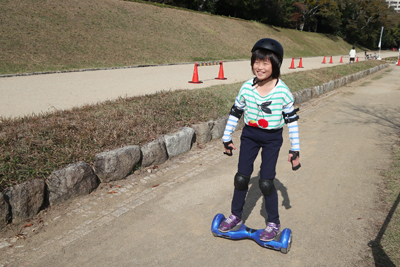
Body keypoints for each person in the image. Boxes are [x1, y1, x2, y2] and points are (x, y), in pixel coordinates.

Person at [219, 38, 301, 242]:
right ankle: (235, 215)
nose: (260, 67)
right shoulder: (247, 87)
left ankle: (273, 222)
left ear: (275, 64)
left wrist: (295, 149)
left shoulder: (283, 91)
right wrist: (226, 137)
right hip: (249, 135)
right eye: (257, 62)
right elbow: (236, 112)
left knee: (265, 182)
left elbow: (292, 121)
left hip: (272, 138)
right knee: (241, 177)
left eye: (265, 63)